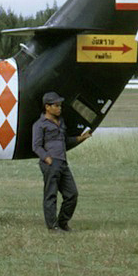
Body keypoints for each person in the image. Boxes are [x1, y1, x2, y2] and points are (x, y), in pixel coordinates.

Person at [31, 91, 91, 232]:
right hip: (51, 163)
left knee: (72, 194)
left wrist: (81, 138)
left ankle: (63, 223)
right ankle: (52, 227)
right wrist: (48, 159)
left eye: (60, 105)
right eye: (56, 105)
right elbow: (36, 146)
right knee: (51, 195)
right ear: (47, 107)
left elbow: (65, 141)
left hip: (63, 163)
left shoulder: (61, 122)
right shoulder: (39, 125)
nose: (59, 108)